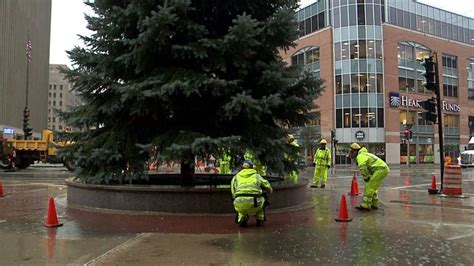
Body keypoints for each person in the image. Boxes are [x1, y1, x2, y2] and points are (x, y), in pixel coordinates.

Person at [231, 160, 273, 227]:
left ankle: (242, 218)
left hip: (240, 203)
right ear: (252, 167)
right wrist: (270, 191)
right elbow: (267, 186)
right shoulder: (257, 176)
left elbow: (233, 193)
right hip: (255, 203)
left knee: (240, 206)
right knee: (264, 198)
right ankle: (260, 219)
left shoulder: (235, 177)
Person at [349, 143, 390, 211]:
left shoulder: (360, 156)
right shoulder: (364, 154)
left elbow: (363, 167)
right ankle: (374, 204)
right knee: (373, 187)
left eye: (351, 152)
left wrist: (366, 177)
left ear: (355, 151)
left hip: (380, 169)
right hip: (381, 169)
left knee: (369, 186)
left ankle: (366, 205)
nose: (351, 154)